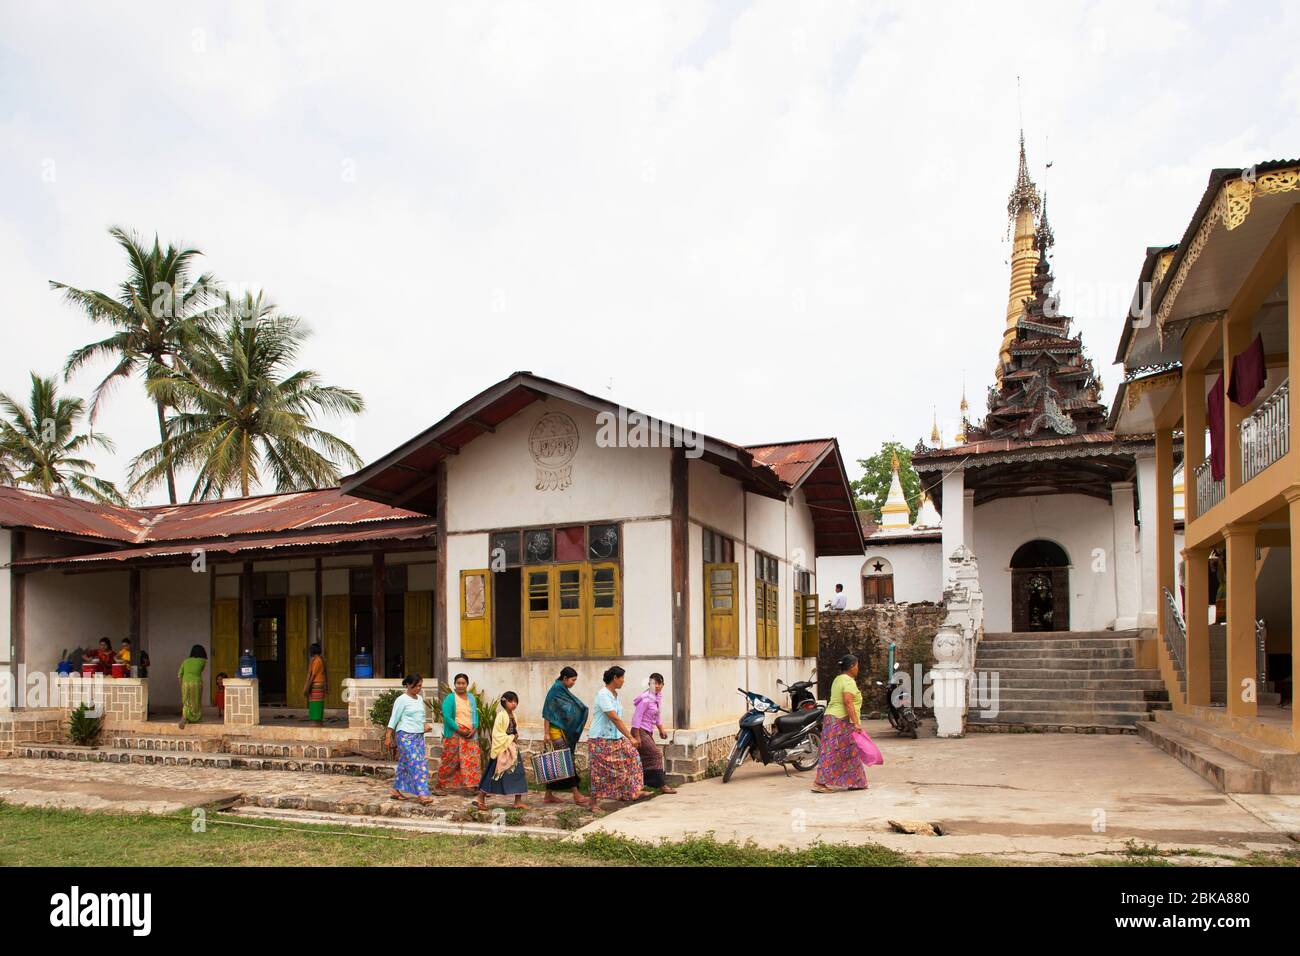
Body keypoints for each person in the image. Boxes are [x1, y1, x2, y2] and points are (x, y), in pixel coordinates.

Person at [588, 666, 651, 803]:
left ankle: (633, 792)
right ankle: (594, 803)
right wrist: (630, 737)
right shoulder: (603, 695)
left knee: (632, 757)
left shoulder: (615, 695)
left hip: (615, 737)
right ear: (615, 678)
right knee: (599, 771)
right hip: (601, 739)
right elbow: (615, 718)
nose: (623, 681)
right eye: (622, 678)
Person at [812, 654, 868, 794]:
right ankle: (819, 783)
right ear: (851, 667)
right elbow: (848, 702)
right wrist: (856, 723)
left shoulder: (838, 679)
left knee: (850, 751)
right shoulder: (848, 681)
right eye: (856, 665)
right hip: (840, 720)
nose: (858, 668)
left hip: (833, 718)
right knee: (832, 752)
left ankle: (857, 781)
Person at [541, 666, 594, 807]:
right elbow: (547, 712)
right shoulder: (555, 691)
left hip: (562, 731)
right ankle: (576, 794)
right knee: (566, 761)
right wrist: (546, 733)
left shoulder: (563, 691)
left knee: (560, 761)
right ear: (564, 678)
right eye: (572, 680)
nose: (573, 683)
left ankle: (548, 795)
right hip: (555, 731)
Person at [385, 673, 435, 805]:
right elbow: (394, 718)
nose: (418, 688)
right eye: (416, 686)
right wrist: (388, 735)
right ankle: (422, 794)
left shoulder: (419, 699)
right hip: (405, 735)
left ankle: (396, 790)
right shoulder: (401, 700)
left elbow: (421, 716)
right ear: (407, 685)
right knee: (419, 763)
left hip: (418, 735)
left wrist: (424, 725)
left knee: (405, 764)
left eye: (420, 686)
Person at [475, 691, 527, 810]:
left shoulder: (514, 716)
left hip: (512, 748)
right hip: (501, 749)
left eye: (515, 701)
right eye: (511, 701)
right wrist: (511, 737)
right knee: (493, 774)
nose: (514, 704)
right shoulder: (501, 715)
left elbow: (514, 730)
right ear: (504, 702)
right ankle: (480, 798)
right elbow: (497, 734)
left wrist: (515, 736)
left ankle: (518, 801)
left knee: (518, 772)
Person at [435, 673, 481, 795]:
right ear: (454, 684)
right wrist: (458, 730)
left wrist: (475, 728)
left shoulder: (471, 697)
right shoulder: (450, 698)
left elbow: (475, 714)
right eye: (458, 683)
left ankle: (471, 786)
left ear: (467, 684)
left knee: (471, 760)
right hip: (454, 734)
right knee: (450, 760)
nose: (460, 685)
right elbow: (447, 717)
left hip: (470, 734)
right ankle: (440, 786)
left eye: (463, 683)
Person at [630, 672, 675, 794]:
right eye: (654, 683)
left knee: (643, 758)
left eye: (659, 684)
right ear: (649, 684)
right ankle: (661, 785)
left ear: (663, 685)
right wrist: (637, 736)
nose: (657, 686)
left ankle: (639, 785)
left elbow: (657, 715)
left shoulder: (657, 697)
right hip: (639, 730)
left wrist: (661, 729)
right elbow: (636, 718)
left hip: (647, 731)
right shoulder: (645, 699)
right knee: (656, 754)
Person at [177, 645, 207, 729]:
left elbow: (179, 674)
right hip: (196, 683)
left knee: (186, 701)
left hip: (185, 682)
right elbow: (199, 671)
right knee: (195, 701)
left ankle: (185, 716)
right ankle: (196, 718)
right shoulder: (202, 661)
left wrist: (182, 684)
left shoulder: (185, 661)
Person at [303, 643, 327, 725]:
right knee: (315, 702)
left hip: (316, 684)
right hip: (318, 684)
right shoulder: (318, 659)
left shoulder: (317, 661)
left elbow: (313, 675)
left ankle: (316, 721)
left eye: (310, 650)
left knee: (316, 703)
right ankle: (317, 721)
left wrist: (307, 686)